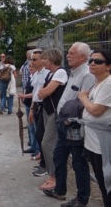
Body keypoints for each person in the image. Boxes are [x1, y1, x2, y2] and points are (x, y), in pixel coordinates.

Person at [42, 42, 95, 206]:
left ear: (82, 57)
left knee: (79, 163)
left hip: (74, 125)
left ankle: (82, 199)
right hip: (62, 122)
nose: (67, 55)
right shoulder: (73, 72)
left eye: (71, 53)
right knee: (58, 156)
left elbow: (83, 100)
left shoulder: (87, 74)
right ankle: (60, 190)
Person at [78, 49, 111, 207]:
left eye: (98, 61)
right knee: (101, 181)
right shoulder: (97, 82)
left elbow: (96, 111)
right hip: (92, 141)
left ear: (108, 66)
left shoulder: (109, 84)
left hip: (102, 143)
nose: (92, 63)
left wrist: (83, 98)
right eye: (90, 60)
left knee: (107, 183)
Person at [37, 49, 68, 192]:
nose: (42, 61)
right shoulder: (51, 74)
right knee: (46, 142)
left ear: (52, 59)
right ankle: (52, 175)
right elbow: (41, 92)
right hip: (47, 110)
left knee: (48, 143)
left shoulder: (60, 72)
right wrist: (43, 92)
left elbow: (45, 92)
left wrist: (43, 92)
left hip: (55, 113)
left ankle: (54, 177)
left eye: (44, 59)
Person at [28, 49, 49, 176]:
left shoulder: (46, 74)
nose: (32, 62)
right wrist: (31, 109)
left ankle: (46, 165)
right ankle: (43, 163)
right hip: (36, 105)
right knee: (38, 134)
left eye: (34, 59)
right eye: (31, 59)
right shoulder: (37, 74)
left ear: (42, 60)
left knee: (42, 135)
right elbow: (35, 93)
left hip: (43, 106)